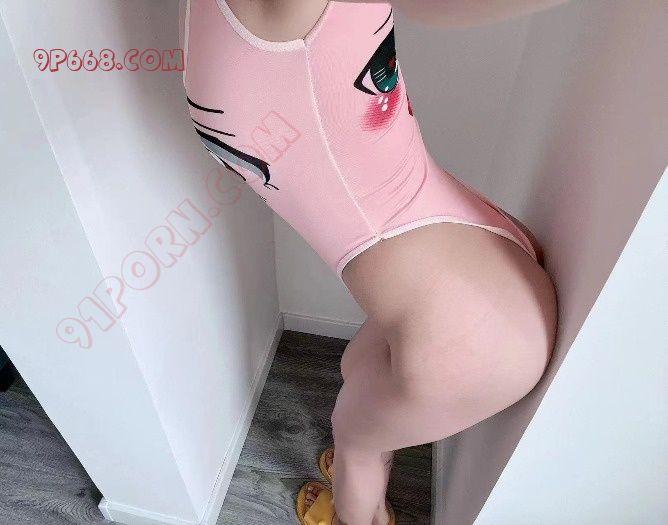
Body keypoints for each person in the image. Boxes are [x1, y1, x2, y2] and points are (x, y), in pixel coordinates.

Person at [182, 1, 565, 523]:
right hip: (467, 252)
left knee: (355, 437)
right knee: (356, 371)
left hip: (471, 325)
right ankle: (372, 450)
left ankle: (360, 510)